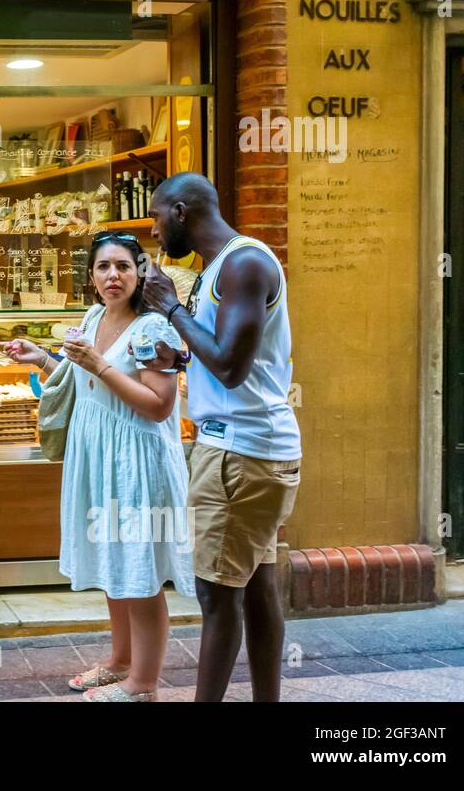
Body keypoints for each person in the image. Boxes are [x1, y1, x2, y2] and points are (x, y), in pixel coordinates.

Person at [3, 232, 193, 702]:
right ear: (91, 276)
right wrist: (43, 359)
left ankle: (142, 684)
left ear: (139, 274)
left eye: (124, 267)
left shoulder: (153, 330)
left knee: (139, 571)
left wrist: (98, 364)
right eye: (104, 267)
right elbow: (80, 381)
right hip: (97, 456)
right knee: (114, 563)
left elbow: (159, 406)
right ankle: (119, 661)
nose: (113, 276)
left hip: (135, 462)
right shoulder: (92, 317)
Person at [140, 172, 302, 703]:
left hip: (241, 452)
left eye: (159, 216)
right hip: (243, 448)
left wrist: (171, 308)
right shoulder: (224, 266)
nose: (155, 230)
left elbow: (233, 368)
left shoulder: (244, 263)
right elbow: (230, 360)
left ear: (182, 211)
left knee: (216, 594)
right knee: (254, 588)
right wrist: (182, 358)